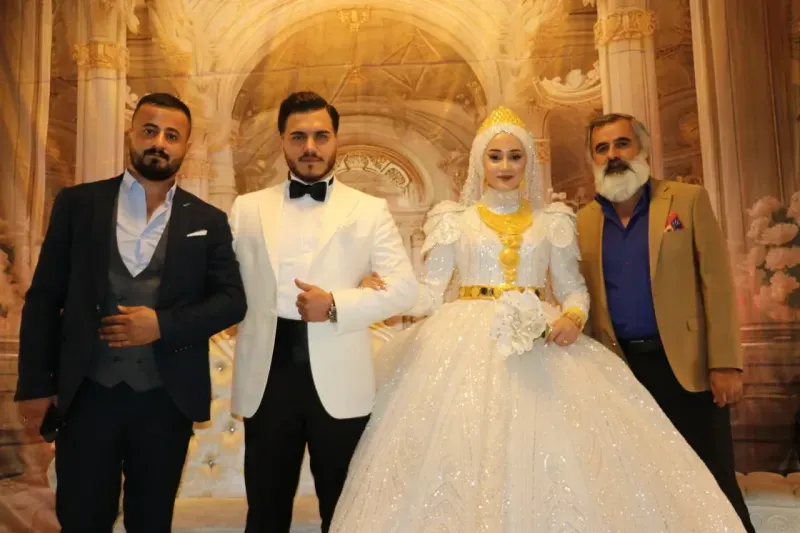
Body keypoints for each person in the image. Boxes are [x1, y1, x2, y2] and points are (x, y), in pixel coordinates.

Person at [329, 106, 748, 532]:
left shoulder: (555, 221)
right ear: (480, 162)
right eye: (495, 156)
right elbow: (431, 293)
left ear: (528, 162)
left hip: (542, 342)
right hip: (463, 347)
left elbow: (573, 288)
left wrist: (573, 316)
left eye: (515, 156)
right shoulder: (454, 220)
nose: (505, 165)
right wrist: (385, 292)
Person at [13, 93, 247, 532]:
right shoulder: (78, 204)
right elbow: (44, 297)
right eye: (150, 131)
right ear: (131, 135)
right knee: (82, 518)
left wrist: (162, 325)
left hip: (166, 399)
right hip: (87, 394)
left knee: (151, 521)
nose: (159, 143)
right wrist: (35, 385)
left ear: (186, 146)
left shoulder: (209, 220)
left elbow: (232, 300)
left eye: (172, 136)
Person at [228, 91, 419, 533]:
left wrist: (335, 304)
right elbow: (225, 285)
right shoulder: (246, 208)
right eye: (298, 136)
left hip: (340, 375)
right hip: (266, 375)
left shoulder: (369, 209)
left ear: (336, 139)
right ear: (282, 140)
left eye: (321, 136)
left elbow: (405, 289)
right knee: (266, 510)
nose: (310, 147)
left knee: (344, 512)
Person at [576, 112, 755, 533]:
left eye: (622, 143)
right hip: (622, 377)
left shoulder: (687, 200)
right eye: (602, 148)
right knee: (644, 489)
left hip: (690, 372)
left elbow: (717, 285)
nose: (613, 155)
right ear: (593, 160)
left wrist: (725, 363)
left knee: (714, 484)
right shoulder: (582, 221)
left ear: (642, 148)